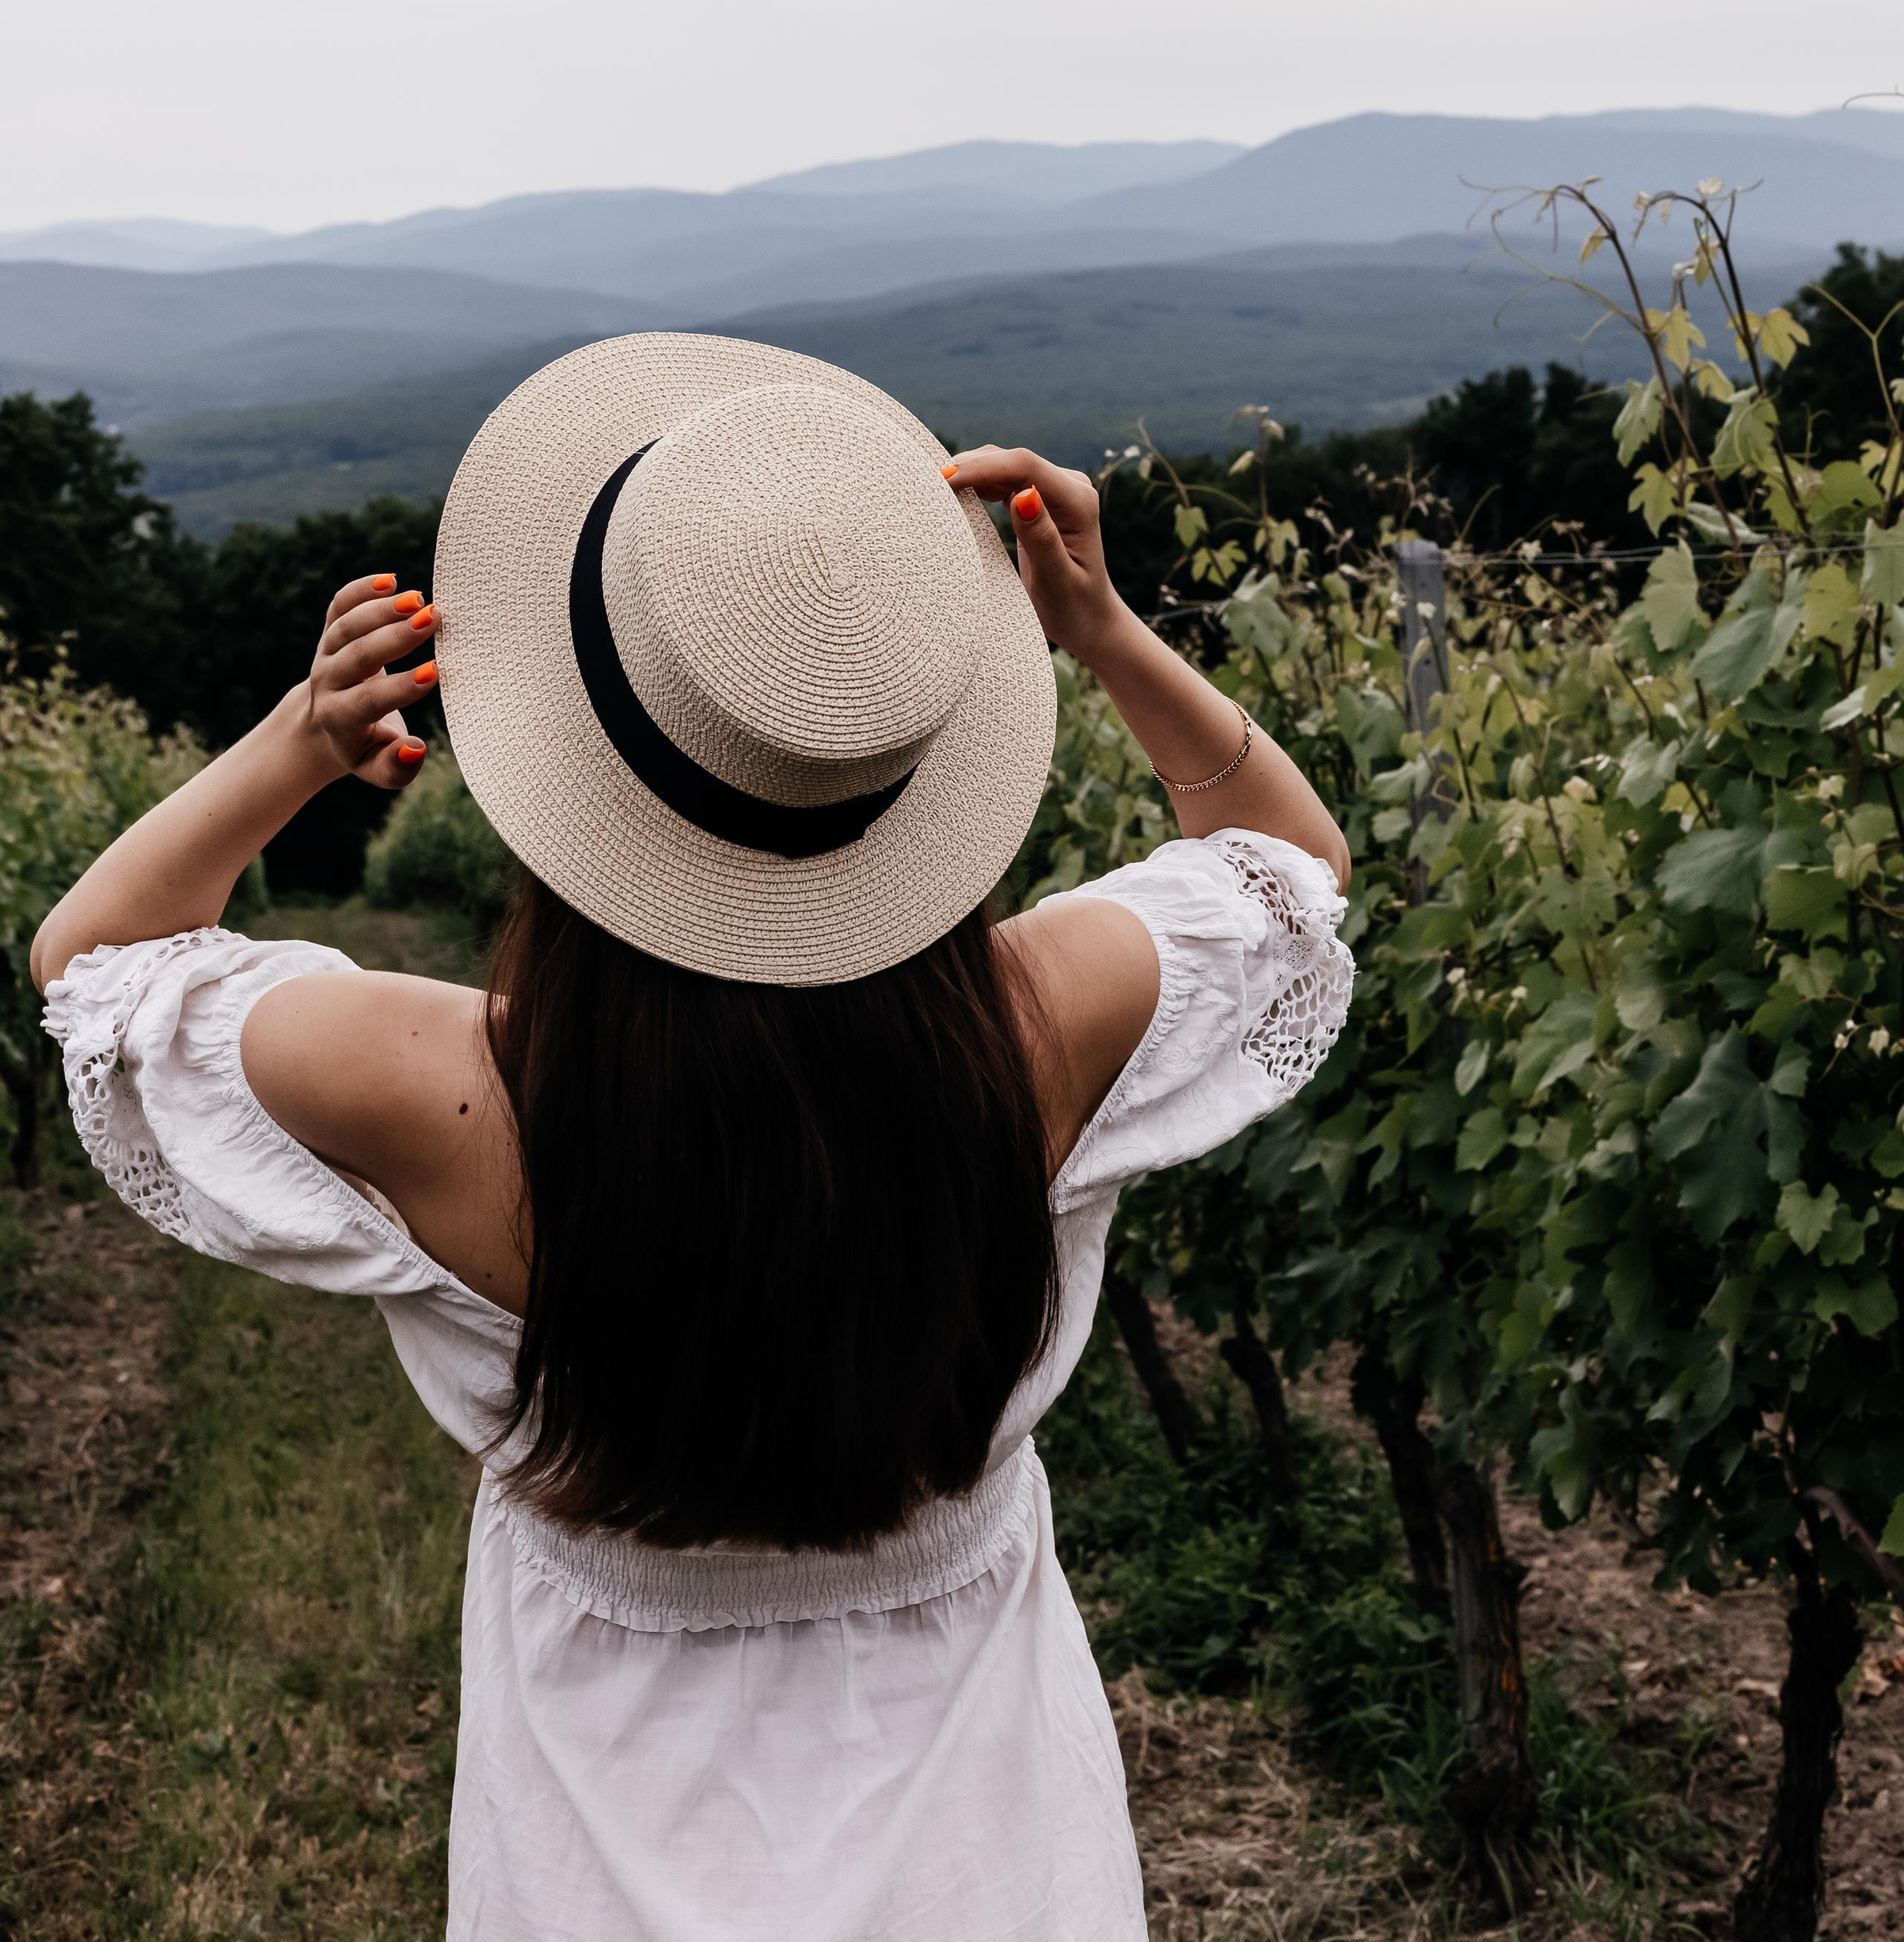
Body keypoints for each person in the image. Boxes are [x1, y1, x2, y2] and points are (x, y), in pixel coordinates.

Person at [33, 336, 1353, 1942]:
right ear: (912, 764)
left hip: (595, 1827)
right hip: (982, 1840)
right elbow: (1287, 860)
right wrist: (1100, 625)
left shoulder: (439, 1087)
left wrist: (299, 745)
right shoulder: (1040, 1025)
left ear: (570, 776)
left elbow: (92, 963)